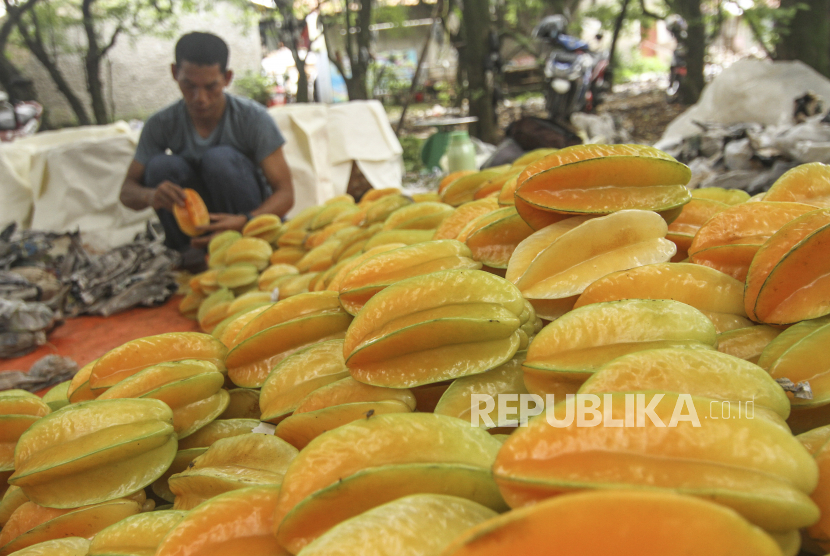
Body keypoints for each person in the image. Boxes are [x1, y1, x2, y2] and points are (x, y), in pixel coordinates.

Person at [120, 31, 294, 265]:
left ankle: (245, 249)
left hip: (244, 221)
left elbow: (286, 194)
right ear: (174, 73)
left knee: (220, 160)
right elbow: (126, 191)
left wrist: (246, 220)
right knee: (161, 166)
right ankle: (189, 253)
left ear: (227, 78)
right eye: (189, 85)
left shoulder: (253, 119)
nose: (199, 98)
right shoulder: (160, 124)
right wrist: (151, 196)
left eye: (210, 87)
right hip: (194, 225)